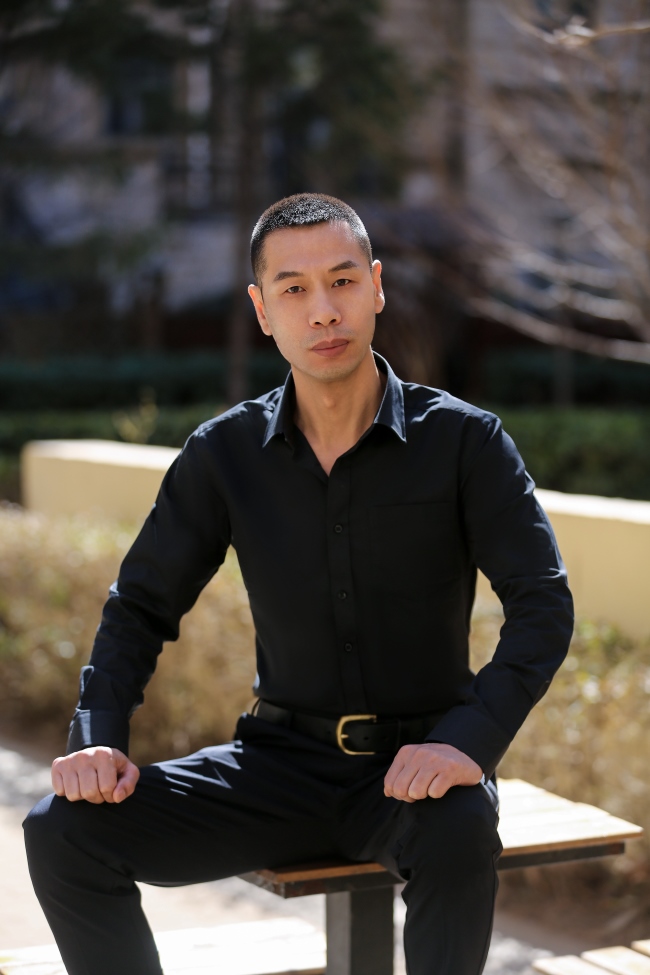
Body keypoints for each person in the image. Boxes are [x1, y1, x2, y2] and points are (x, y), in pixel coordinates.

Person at [24, 193, 574, 975]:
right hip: (278, 767)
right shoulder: (224, 454)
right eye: (294, 289)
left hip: (421, 769)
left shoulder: (466, 442)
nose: (323, 310)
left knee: (459, 833)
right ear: (262, 310)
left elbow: (542, 603)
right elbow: (141, 604)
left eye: (343, 281)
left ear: (376, 287)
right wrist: (99, 732)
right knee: (63, 830)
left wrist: (469, 739)